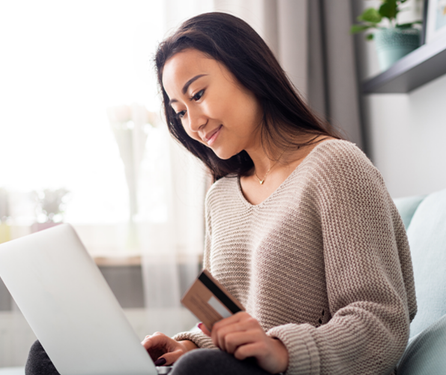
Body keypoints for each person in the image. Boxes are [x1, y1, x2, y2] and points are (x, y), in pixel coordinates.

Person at [26, 11, 416, 375]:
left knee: (199, 371)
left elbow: (382, 322)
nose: (193, 123)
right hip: (231, 367)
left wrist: (280, 349)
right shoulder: (221, 197)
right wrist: (187, 343)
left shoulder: (335, 166)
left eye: (197, 95)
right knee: (48, 355)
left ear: (249, 71)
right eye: (178, 111)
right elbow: (222, 319)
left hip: (297, 368)